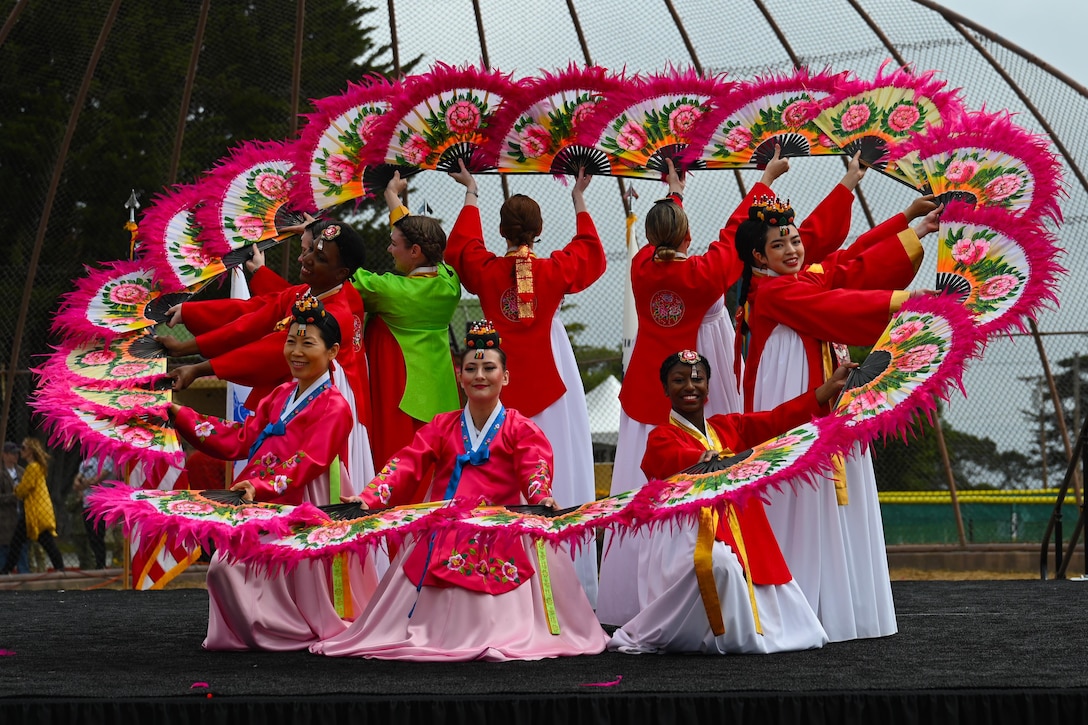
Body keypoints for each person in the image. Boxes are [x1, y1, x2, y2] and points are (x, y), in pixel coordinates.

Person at [312, 322, 609, 662]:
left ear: (505, 377)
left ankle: (500, 630)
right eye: (471, 368)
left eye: (488, 368)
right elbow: (407, 463)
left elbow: (534, 467)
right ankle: (433, 632)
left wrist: (540, 496)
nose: (479, 375)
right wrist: (370, 497)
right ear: (460, 376)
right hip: (445, 521)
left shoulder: (520, 428)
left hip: (501, 521)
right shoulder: (442, 425)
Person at [734, 194, 940, 642]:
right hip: (792, 393)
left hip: (822, 387)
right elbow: (836, 305)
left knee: (825, 495)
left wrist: (912, 224)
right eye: (778, 246)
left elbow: (847, 266)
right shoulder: (771, 291)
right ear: (757, 256)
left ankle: (832, 606)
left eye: (794, 240)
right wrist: (905, 300)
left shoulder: (801, 279)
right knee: (799, 492)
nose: (792, 250)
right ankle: (800, 603)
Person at [598, 156, 758, 625]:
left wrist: (674, 192)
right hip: (687, 396)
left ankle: (626, 596)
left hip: (644, 393)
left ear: (649, 237)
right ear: (688, 235)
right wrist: (762, 183)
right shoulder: (704, 274)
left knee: (635, 490)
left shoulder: (642, 266)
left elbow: (668, 238)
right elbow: (735, 234)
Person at [167, 295, 377, 650]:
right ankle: (269, 629)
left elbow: (309, 460)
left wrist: (261, 486)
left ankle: (290, 629)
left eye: (307, 343)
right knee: (225, 566)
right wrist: (181, 415)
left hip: (308, 498)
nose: (295, 351)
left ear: (333, 351)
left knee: (283, 571)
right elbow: (239, 439)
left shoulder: (336, 405)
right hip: (262, 492)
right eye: (291, 341)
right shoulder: (280, 394)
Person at [610, 351, 852, 654]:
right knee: (720, 565)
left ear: (708, 387)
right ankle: (714, 635)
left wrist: (827, 389)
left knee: (747, 568)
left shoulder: (727, 427)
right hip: (687, 532)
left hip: (738, 523)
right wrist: (699, 461)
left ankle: (748, 632)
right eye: (679, 380)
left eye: (698, 379)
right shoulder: (662, 435)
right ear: (665, 389)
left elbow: (775, 420)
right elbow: (665, 460)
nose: (690, 386)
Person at [445, 161, 606, 605]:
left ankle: (496, 578)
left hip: (497, 384)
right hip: (553, 378)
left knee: (498, 470)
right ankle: (568, 585)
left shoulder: (486, 270)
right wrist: (579, 197)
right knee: (558, 466)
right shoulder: (554, 270)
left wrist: (471, 192)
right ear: (538, 231)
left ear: (502, 231)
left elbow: (461, 248)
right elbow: (590, 253)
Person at [159, 216, 376, 485]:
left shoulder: (333, 314)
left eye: (317, 257)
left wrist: (198, 366)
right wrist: (186, 335)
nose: (303, 259)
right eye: (309, 249)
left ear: (342, 273)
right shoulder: (311, 295)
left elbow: (268, 352)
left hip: (317, 420)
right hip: (301, 405)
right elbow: (253, 315)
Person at [350, 172, 463, 492]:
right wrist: (393, 199)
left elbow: (338, 270)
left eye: (394, 244)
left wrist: (316, 236)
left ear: (415, 251)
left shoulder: (390, 290)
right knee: (436, 476)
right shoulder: (449, 281)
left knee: (398, 475)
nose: (389, 249)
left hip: (400, 397)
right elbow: (419, 235)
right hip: (440, 396)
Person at [1, 438, 65, 574]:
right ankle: (6, 570)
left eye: (23, 448)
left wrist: (16, 488)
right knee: (19, 542)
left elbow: (24, 489)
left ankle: (60, 568)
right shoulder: (37, 467)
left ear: (30, 451)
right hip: (35, 511)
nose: (20, 452)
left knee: (32, 542)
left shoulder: (32, 468)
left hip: (35, 512)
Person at [71, 454, 115, 569]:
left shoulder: (107, 460)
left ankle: (101, 564)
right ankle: (98, 564)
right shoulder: (85, 463)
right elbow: (77, 479)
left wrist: (83, 485)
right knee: (91, 536)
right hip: (87, 503)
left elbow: (97, 480)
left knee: (99, 535)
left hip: (100, 503)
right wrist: (78, 483)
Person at [0, 442, 26, 572]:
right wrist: (14, 495)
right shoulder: (1, 472)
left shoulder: (21, 471)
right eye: (12, 453)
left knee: (21, 548)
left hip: (21, 516)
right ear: (4, 455)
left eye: (17, 453)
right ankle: (4, 576)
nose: (16, 456)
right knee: (4, 548)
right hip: (4, 519)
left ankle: (24, 575)